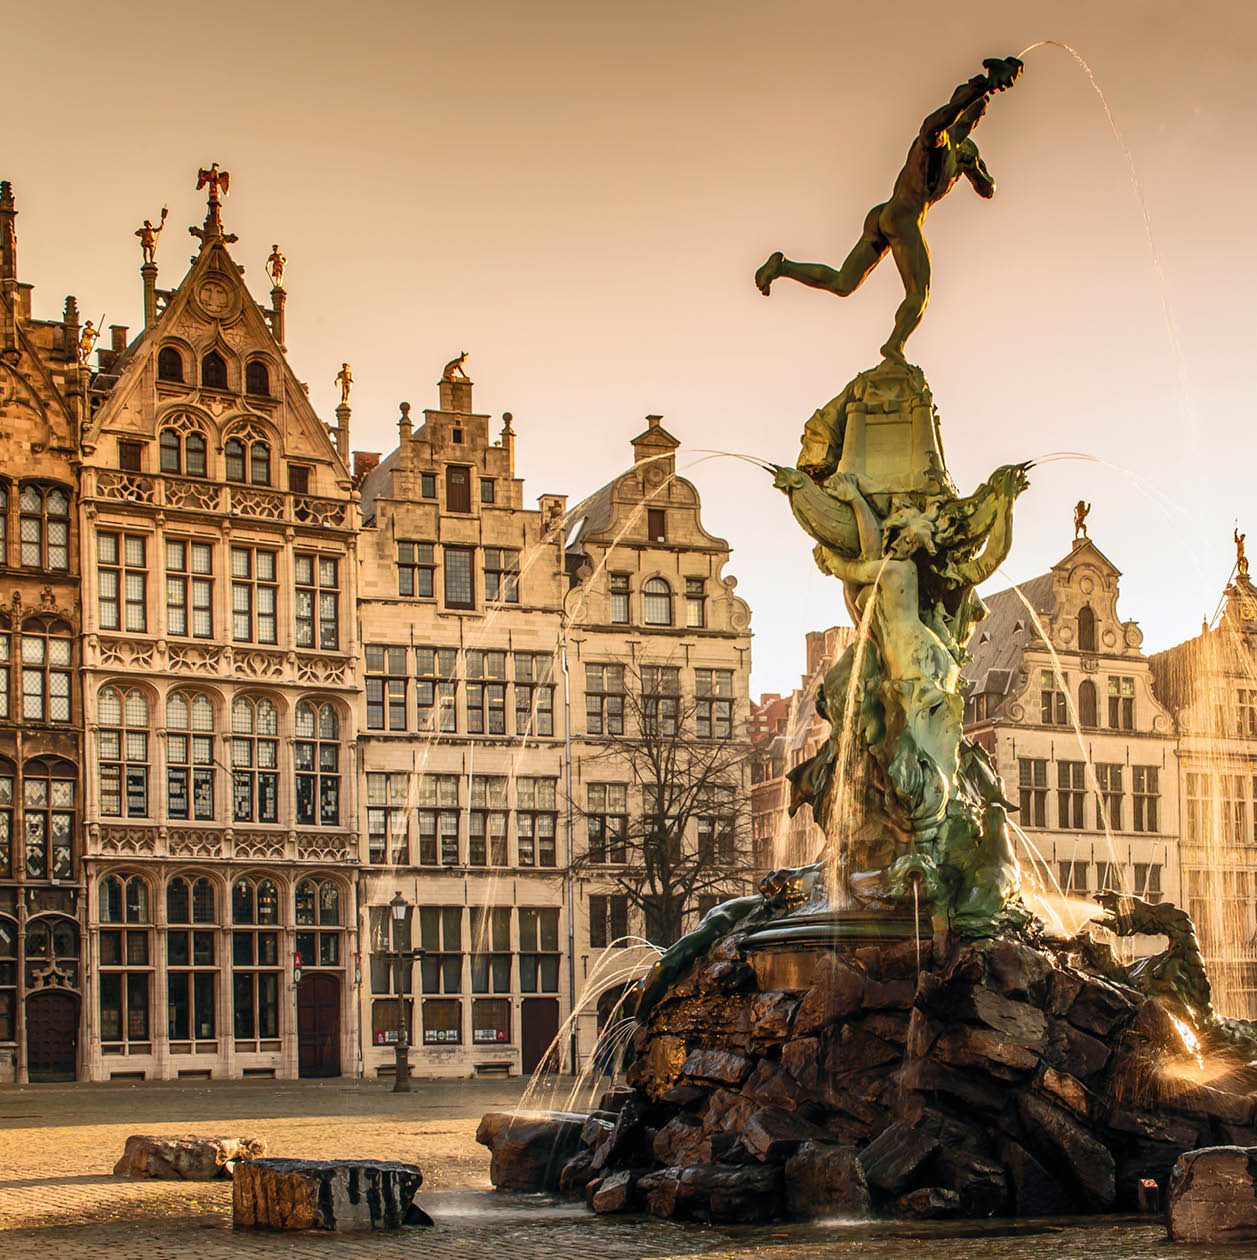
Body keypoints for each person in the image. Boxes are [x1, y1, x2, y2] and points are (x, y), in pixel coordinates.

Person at [755, 56, 1023, 363]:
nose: (973, 118)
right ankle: (895, 345)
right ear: (961, 107)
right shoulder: (936, 139)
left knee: (843, 284)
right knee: (919, 295)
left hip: (885, 214)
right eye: (971, 110)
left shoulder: (966, 152)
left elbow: (987, 189)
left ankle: (782, 266)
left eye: (978, 116)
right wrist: (984, 87)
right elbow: (936, 121)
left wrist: (977, 172)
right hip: (903, 216)